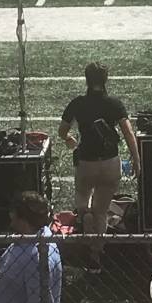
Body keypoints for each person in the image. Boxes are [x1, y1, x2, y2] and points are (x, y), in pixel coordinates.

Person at [59, 62, 139, 265]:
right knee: (101, 211)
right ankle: (96, 254)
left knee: (82, 196)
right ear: (106, 80)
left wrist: (68, 138)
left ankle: (84, 216)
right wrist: (137, 160)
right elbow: (128, 133)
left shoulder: (77, 103)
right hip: (110, 162)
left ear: (86, 80)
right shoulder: (114, 103)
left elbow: (62, 130)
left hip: (86, 162)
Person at [0, 191, 63, 303]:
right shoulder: (24, 239)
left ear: (22, 218)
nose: (10, 217)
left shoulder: (37, 256)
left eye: (13, 214)